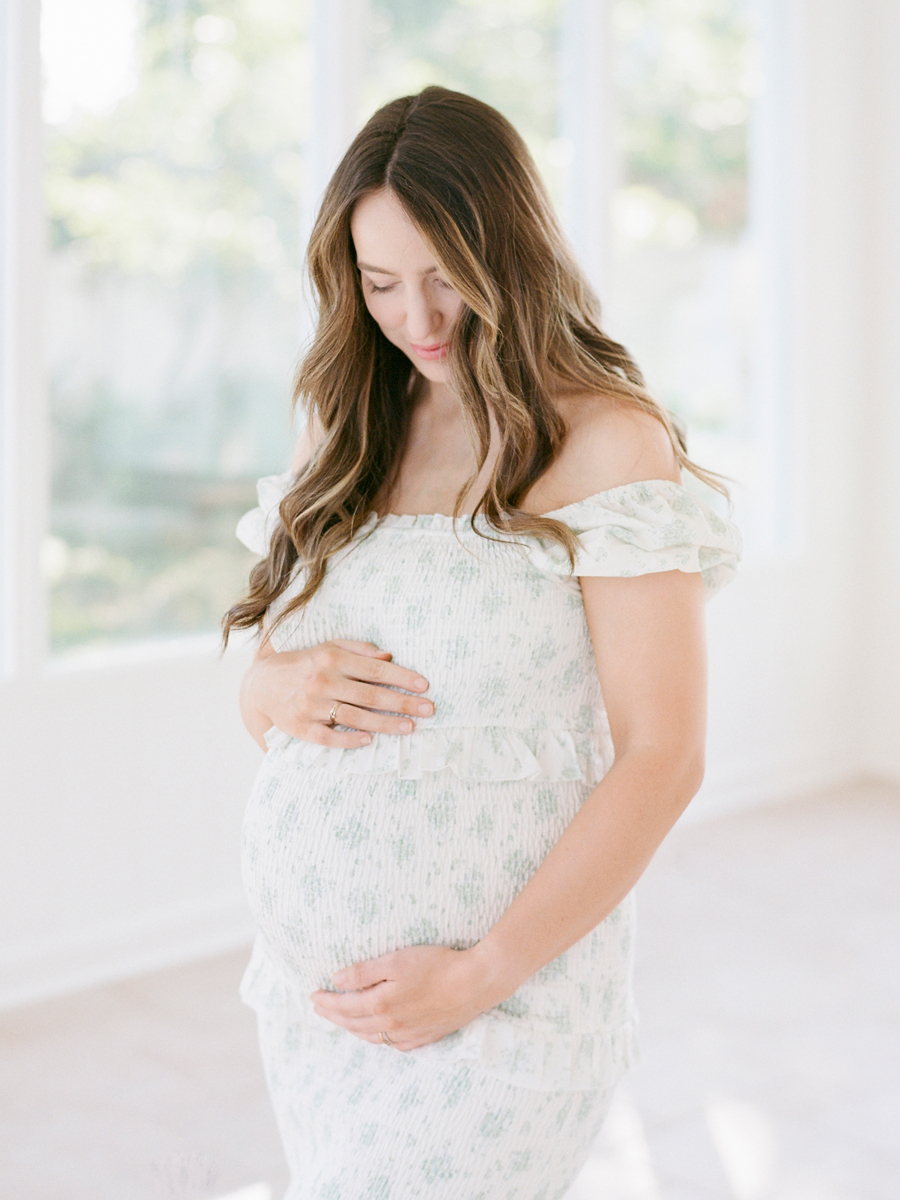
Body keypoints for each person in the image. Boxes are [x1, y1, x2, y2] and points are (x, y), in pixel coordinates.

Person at [223, 86, 741, 1200]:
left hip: (502, 1009)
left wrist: (480, 974)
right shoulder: (345, 422)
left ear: (511, 246)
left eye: (447, 273)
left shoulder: (604, 441)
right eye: (380, 284)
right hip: (320, 1015)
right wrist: (273, 679)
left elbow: (666, 753)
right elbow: (264, 693)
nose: (417, 318)